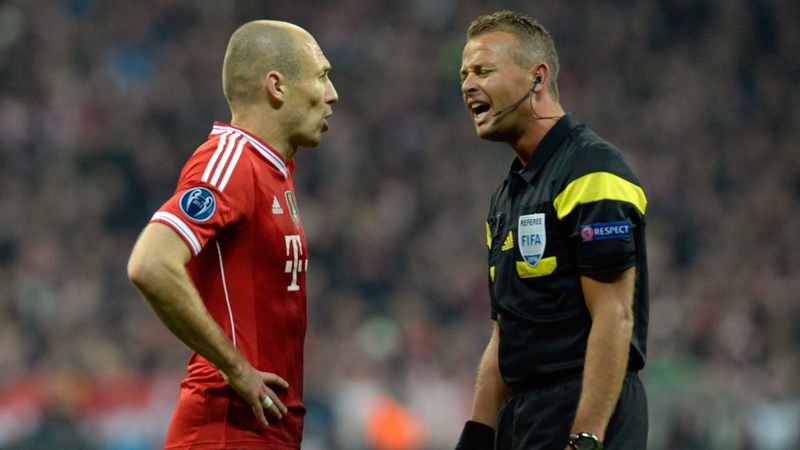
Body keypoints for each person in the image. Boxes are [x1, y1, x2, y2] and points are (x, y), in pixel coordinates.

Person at [127, 20, 337, 449]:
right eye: (321, 76)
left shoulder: (275, 171)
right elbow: (151, 263)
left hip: (265, 429)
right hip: (225, 428)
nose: (332, 94)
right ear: (276, 86)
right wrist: (235, 368)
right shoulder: (230, 161)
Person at [455, 11, 649, 450]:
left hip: (583, 408)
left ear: (536, 78)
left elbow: (614, 315)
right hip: (523, 417)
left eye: (483, 71)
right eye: (464, 73)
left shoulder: (592, 171)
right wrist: (478, 433)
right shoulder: (507, 195)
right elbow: (507, 331)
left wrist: (586, 437)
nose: (467, 85)